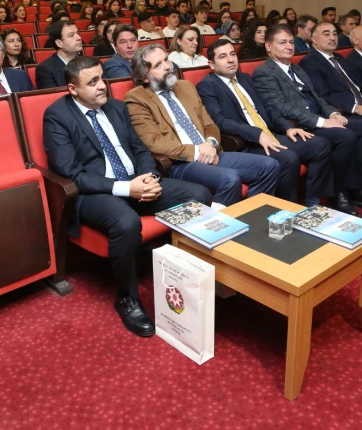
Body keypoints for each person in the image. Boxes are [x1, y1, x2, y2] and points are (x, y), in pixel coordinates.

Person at [43, 55, 211, 337]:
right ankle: (127, 298)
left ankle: (185, 272)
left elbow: (140, 149)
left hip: (136, 181)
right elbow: (72, 174)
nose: (102, 86)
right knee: (126, 222)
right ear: (73, 89)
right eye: (92, 82)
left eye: (102, 78)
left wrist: (149, 178)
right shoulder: (57, 116)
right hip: (95, 191)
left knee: (199, 194)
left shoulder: (117, 108)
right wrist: (125, 188)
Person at [252, 25, 362, 215]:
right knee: (346, 137)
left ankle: (356, 186)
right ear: (268, 46)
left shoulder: (297, 69)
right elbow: (281, 107)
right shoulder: (265, 72)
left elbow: (318, 98)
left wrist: (332, 114)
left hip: (319, 117)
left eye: (291, 42)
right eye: (282, 43)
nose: (289, 47)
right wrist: (322, 122)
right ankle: (338, 193)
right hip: (301, 124)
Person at [125, 44, 278, 206]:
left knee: (269, 166)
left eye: (166, 60)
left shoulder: (186, 86)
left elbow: (209, 125)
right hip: (180, 162)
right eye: (158, 65)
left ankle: (250, 212)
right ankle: (221, 221)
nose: (167, 66)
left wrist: (211, 144)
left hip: (211, 151)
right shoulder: (136, 99)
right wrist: (197, 151)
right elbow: (154, 143)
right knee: (229, 179)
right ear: (144, 77)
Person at [197, 40, 332, 205]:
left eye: (232, 54)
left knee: (320, 145)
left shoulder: (245, 78)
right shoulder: (207, 86)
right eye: (223, 57)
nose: (231, 60)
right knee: (288, 158)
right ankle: (288, 208)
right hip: (246, 142)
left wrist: (287, 127)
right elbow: (220, 121)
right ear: (212, 64)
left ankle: (312, 202)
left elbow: (267, 108)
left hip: (270, 133)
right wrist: (257, 134)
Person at [299, 21, 362, 147]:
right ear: (314, 39)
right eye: (326, 34)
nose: (332, 38)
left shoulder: (339, 58)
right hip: (343, 111)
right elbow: (322, 96)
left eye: (334, 34)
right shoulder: (309, 62)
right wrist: (355, 107)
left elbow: (358, 86)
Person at [36, 21, 83, 90]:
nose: (79, 37)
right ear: (59, 43)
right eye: (71, 35)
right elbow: (54, 96)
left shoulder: (87, 62)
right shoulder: (46, 69)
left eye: (77, 33)